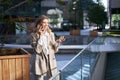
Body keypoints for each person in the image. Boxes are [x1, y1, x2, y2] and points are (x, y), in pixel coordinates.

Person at [30, 15, 65, 80]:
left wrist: (58, 42)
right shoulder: (34, 35)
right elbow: (37, 50)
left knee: (53, 78)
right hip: (40, 60)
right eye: (44, 22)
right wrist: (40, 36)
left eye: (47, 22)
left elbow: (54, 49)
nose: (46, 24)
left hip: (51, 59)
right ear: (39, 24)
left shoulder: (51, 34)